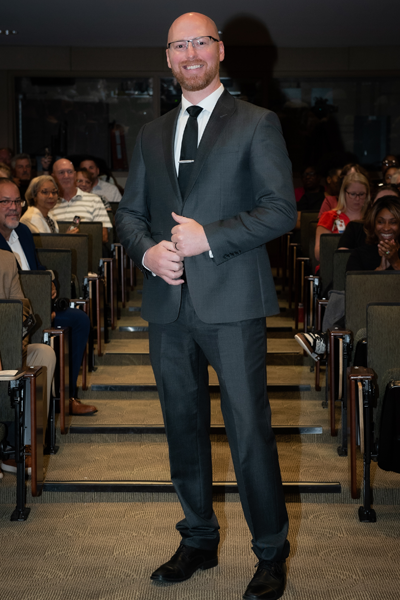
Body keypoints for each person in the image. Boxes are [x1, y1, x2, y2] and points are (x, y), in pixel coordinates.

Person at [116, 12, 297, 600]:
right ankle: (198, 536)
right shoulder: (151, 133)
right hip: (168, 305)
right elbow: (130, 215)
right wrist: (149, 255)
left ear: (219, 50)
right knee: (182, 429)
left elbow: (279, 211)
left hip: (233, 302)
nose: (190, 53)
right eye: (178, 45)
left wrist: (208, 238)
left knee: (250, 434)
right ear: (167, 58)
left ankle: (270, 551)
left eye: (200, 42)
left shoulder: (257, 122)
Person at [0, 178, 96, 416]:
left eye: (17, 201)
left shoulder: (22, 231)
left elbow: (37, 267)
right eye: (5, 202)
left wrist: (49, 282)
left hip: (38, 305)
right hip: (13, 315)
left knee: (79, 320)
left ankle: (67, 396)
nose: (13, 207)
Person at [295, 196, 400, 360]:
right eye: (381, 222)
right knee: (344, 297)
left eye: (393, 222)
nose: (386, 227)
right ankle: (333, 337)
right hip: (366, 318)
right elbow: (354, 293)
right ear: (373, 224)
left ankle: (330, 336)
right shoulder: (359, 254)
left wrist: (395, 262)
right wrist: (379, 270)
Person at [0, 248, 56, 475]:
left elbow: (22, 308)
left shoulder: (5, 259)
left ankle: (25, 445)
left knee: (44, 354)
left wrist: (16, 345)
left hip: (8, 345)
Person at [50, 159, 112, 243]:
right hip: (57, 253)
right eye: (61, 172)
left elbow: (104, 237)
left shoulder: (94, 200)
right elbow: (44, 240)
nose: (66, 176)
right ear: (53, 177)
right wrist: (65, 239)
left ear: (75, 175)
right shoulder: (48, 203)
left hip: (88, 253)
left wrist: (77, 238)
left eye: (70, 172)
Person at [314, 171, 370, 262]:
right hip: (332, 266)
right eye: (352, 194)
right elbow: (318, 254)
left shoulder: (371, 218)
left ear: (367, 195)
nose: (357, 198)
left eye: (361, 194)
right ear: (344, 193)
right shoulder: (329, 217)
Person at [338, 185, 400, 251]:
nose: (386, 209)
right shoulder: (355, 228)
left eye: (392, 204)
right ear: (372, 205)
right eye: (380, 203)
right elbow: (342, 257)